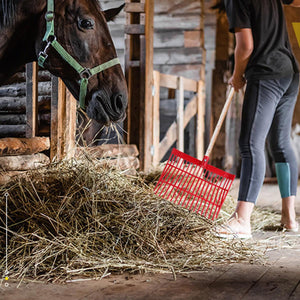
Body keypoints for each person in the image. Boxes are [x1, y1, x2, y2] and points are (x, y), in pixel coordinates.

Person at [218, 0, 300, 239]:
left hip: (266, 73)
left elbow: (245, 46)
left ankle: (242, 220)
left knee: (250, 143)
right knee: (281, 142)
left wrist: (236, 76)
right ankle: (289, 217)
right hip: (289, 72)